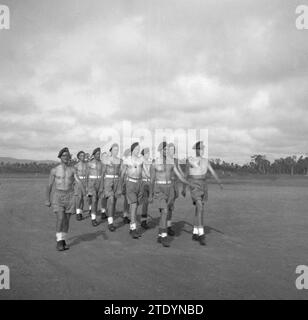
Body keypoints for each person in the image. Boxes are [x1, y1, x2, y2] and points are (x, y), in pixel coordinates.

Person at [149, 142, 194, 247]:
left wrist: (190, 184)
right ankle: (164, 236)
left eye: (167, 149)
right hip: (159, 190)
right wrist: (151, 195)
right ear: (160, 150)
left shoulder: (171, 163)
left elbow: (180, 176)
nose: (166, 151)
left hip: (170, 190)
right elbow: (151, 180)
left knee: (165, 212)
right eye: (164, 149)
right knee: (164, 211)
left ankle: (160, 235)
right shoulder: (154, 163)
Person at [182, 141, 223, 246]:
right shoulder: (190, 160)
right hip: (194, 185)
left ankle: (195, 232)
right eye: (199, 148)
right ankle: (201, 234)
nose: (201, 150)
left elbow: (212, 172)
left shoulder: (205, 161)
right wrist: (183, 188)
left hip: (204, 185)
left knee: (198, 209)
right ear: (195, 150)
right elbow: (186, 175)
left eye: (203, 148)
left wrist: (219, 182)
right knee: (200, 207)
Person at [45, 147, 85, 251]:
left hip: (70, 196)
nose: (66, 157)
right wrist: (47, 199)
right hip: (58, 196)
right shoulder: (54, 170)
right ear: (60, 157)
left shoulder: (72, 169)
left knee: (66, 221)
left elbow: (79, 181)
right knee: (61, 218)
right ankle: (59, 241)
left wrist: (85, 192)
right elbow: (49, 185)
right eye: (64, 156)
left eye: (68, 156)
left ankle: (63, 240)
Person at [120, 142, 143, 239]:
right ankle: (133, 229)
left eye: (139, 149)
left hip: (139, 184)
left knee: (136, 205)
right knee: (133, 206)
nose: (138, 150)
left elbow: (142, 172)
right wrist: (121, 186)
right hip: (130, 183)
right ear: (132, 149)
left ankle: (132, 226)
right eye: (136, 149)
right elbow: (122, 174)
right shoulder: (127, 160)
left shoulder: (140, 160)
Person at [100, 143, 122, 232]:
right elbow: (102, 173)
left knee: (114, 202)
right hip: (108, 181)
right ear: (111, 150)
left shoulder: (120, 160)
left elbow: (121, 173)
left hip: (117, 181)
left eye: (117, 150)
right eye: (114, 149)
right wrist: (101, 186)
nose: (116, 151)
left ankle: (109, 216)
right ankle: (110, 223)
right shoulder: (107, 159)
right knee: (111, 200)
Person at [87, 147, 103, 227]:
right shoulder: (90, 163)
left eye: (99, 154)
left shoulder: (101, 163)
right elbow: (87, 175)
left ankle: (93, 212)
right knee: (94, 200)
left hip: (99, 183)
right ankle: (93, 219)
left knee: (96, 200)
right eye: (97, 154)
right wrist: (87, 186)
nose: (98, 155)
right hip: (92, 183)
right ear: (94, 154)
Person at [140, 147, 152, 229]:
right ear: (143, 155)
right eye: (146, 153)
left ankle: (143, 220)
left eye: (148, 153)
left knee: (146, 203)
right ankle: (143, 221)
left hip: (149, 183)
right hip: (143, 183)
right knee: (145, 202)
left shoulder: (150, 162)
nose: (148, 154)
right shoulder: (141, 162)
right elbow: (148, 174)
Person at [74, 151, 88, 221]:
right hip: (78, 182)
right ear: (78, 157)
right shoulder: (76, 166)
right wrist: (79, 183)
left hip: (85, 182)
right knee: (78, 198)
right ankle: (77, 213)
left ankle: (80, 213)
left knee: (82, 198)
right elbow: (75, 176)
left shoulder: (87, 165)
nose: (83, 157)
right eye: (81, 155)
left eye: (84, 155)